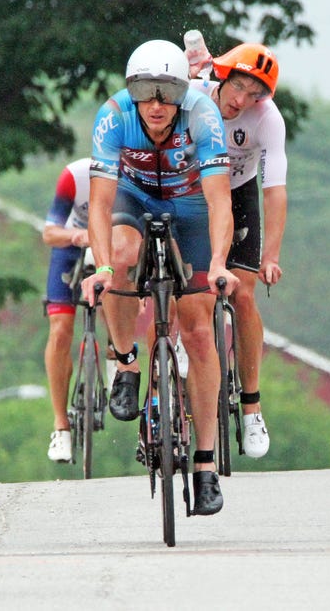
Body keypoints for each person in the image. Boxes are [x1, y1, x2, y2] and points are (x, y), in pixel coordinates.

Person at [81, 39, 238, 516]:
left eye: (165, 92)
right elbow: (101, 206)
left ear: (181, 93)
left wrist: (217, 264)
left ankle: (205, 465)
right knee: (121, 255)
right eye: (145, 92)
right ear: (132, 92)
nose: (155, 104)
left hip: (190, 203)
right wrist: (103, 267)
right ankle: (126, 362)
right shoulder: (113, 116)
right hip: (133, 195)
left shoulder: (203, 118)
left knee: (196, 330)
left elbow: (219, 203)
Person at [186, 39, 288, 459]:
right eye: (238, 87)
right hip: (192, 191)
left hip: (239, 193)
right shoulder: (193, 96)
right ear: (222, 75)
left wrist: (271, 257)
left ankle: (251, 408)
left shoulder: (267, 120)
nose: (242, 100)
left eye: (255, 94)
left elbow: (275, 191)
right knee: (188, 292)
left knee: (243, 294)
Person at [43, 158, 115, 463]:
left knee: (120, 294)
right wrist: (78, 236)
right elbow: (50, 233)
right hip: (74, 245)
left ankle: (116, 353)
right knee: (60, 329)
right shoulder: (74, 176)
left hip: (112, 248)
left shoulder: (127, 175)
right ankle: (61, 427)